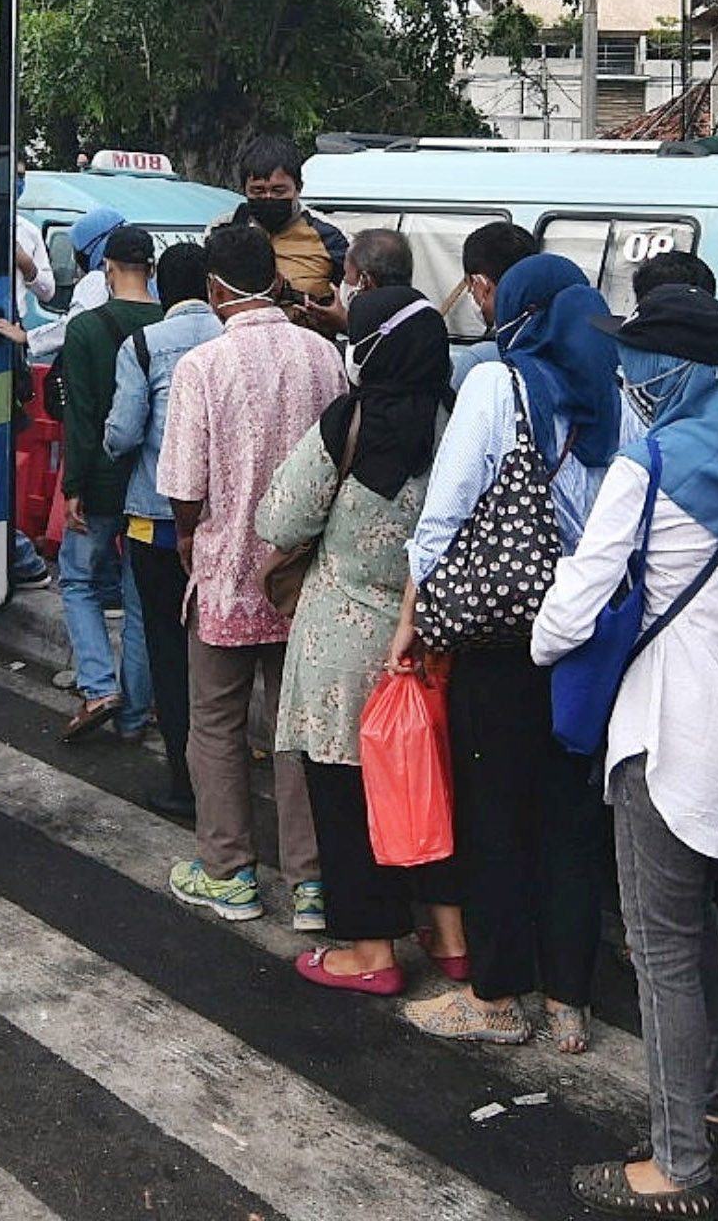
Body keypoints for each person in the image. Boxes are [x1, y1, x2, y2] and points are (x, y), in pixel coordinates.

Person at [533, 287, 718, 1215]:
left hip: (670, 729)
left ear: (674, 373)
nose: (629, 376)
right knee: (703, 934)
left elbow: (577, 601)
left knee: (658, 947)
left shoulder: (644, 463)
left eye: (640, 362)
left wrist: (541, 643)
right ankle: (713, 1115)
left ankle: (676, 1161)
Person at [394, 251, 629, 1051]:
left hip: (500, 638)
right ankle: (571, 999)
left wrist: (425, 612)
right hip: (586, 640)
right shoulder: (617, 396)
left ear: (520, 310)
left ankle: (496, 996)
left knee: (494, 816)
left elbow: (444, 512)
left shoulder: (498, 382)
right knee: (567, 819)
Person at [258, 281, 466, 995]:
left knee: (346, 797)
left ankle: (369, 950)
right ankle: (451, 936)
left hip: (342, 647)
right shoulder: (458, 424)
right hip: (433, 642)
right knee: (428, 787)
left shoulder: (346, 422)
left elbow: (279, 523)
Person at [156, 221, 347, 924]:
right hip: (305, 576)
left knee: (215, 723)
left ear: (212, 289)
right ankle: (313, 884)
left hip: (228, 572)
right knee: (296, 729)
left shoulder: (202, 368)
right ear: (271, 277)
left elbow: (182, 481)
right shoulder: (322, 357)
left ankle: (228, 871)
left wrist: (187, 537)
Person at [105, 240, 220, 819]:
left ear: (160, 289)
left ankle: (183, 780)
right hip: (230, 527)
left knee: (169, 651)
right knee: (225, 659)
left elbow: (123, 435)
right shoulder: (232, 339)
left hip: (158, 525)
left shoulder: (145, 345)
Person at [53, 224, 163, 742]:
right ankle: (135, 715)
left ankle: (99, 686)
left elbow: (81, 414)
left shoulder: (88, 328)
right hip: (153, 484)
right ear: (153, 269)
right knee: (140, 597)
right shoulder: (168, 325)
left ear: (107, 268)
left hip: (98, 478)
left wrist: (72, 483)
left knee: (78, 582)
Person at [231, 133, 350, 309]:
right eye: (258, 191)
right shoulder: (224, 231)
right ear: (244, 190)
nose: (268, 197)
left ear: (298, 187)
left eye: (279, 191)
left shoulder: (331, 236)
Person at [448, 220, 541, 391]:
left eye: (470, 285)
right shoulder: (564, 341)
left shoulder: (480, 360)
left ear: (482, 285)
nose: (470, 292)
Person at [26, 205, 122, 362]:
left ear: (92, 247)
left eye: (78, 249)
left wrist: (27, 338)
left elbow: (74, 327)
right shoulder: (144, 278)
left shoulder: (97, 279)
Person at [294, 225, 416, 335]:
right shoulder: (423, 316)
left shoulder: (378, 342)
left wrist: (345, 323)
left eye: (346, 274)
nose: (344, 282)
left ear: (365, 281)